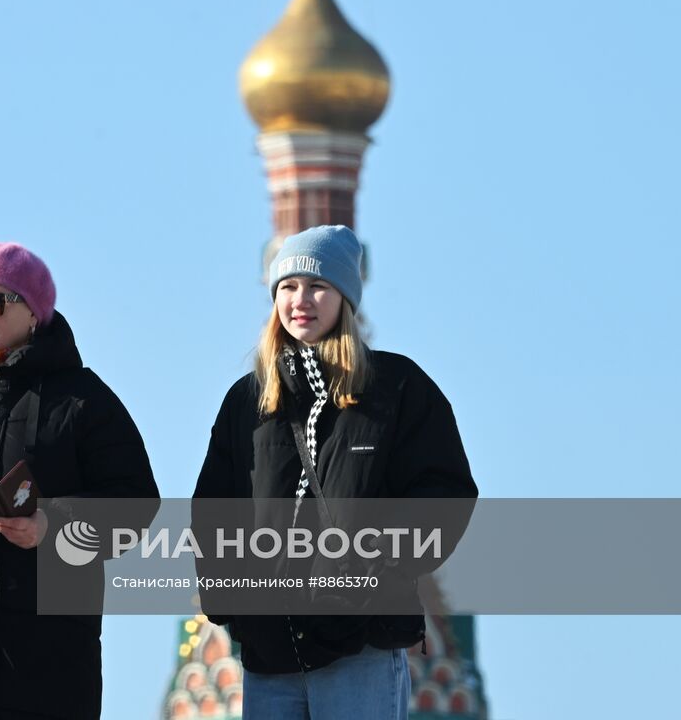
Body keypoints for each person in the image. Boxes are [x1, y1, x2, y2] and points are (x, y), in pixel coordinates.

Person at [193, 225, 477, 720]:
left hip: (359, 647)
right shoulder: (249, 400)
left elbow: (446, 494)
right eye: (287, 287)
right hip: (271, 656)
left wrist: (377, 563)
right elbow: (214, 509)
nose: (301, 300)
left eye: (318, 286)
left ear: (345, 297)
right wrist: (230, 602)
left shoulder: (395, 388)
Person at [0, 241, 159, 720]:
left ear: (33, 313)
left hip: (48, 660)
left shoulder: (84, 400)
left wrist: (52, 524)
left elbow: (137, 506)